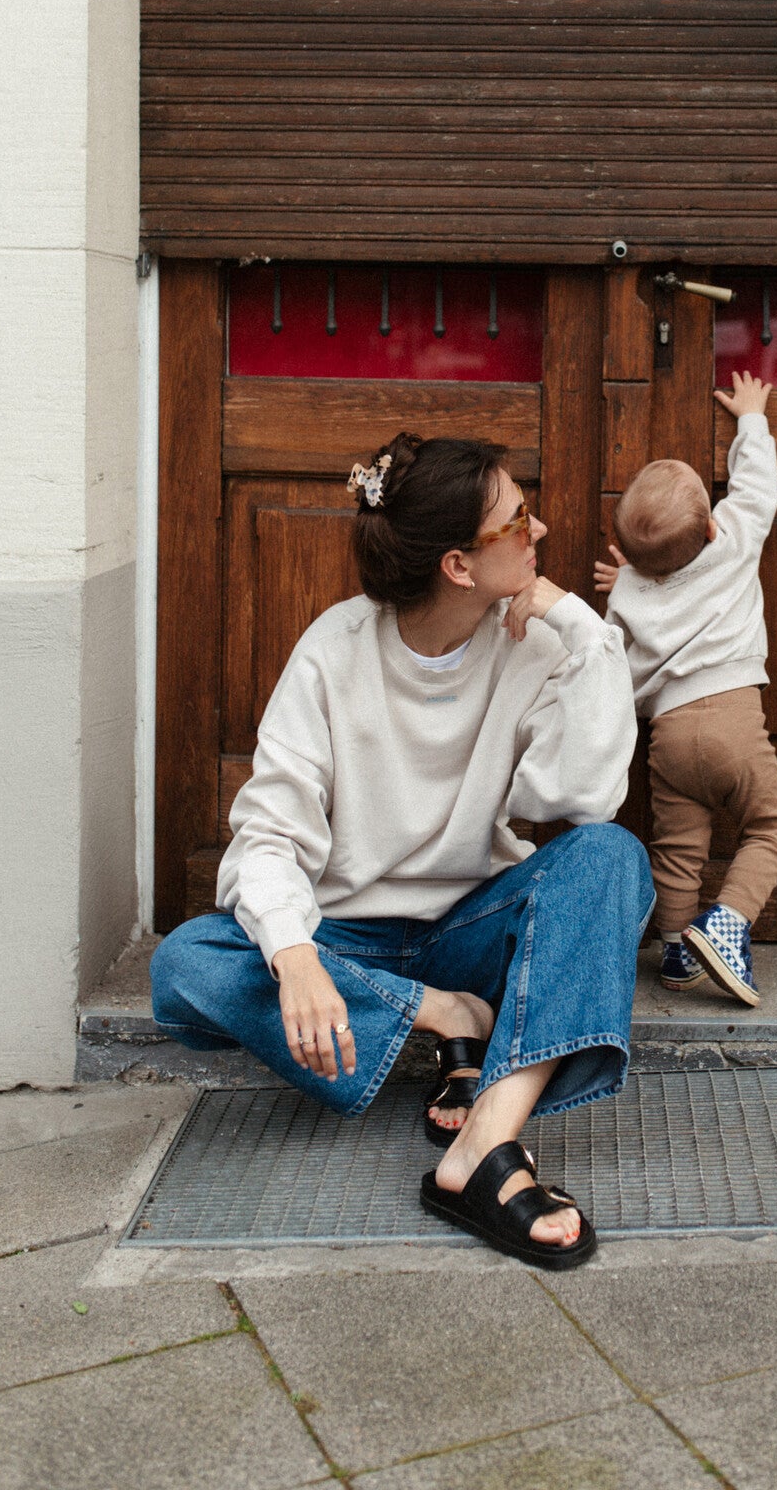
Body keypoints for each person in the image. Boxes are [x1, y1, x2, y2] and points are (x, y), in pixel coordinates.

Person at [150, 431, 647, 1269]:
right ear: (458, 564)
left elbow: (580, 797)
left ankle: (484, 1144)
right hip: (351, 937)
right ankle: (446, 1021)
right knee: (187, 964)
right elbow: (269, 831)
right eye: (518, 518)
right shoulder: (334, 652)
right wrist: (301, 960)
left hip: (472, 926)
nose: (542, 530)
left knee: (611, 857)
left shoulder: (538, 643)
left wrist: (578, 623)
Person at [595, 371, 777, 1008]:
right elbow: (757, 489)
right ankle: (728, 923)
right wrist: (752, 421)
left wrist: (629, 585)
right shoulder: (731, 542)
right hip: (734, 719)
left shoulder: (628, 590)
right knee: (771, 829)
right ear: (709, 527)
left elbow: (613, 661)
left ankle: (678, 952)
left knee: (678, 848)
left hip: (669, 735)